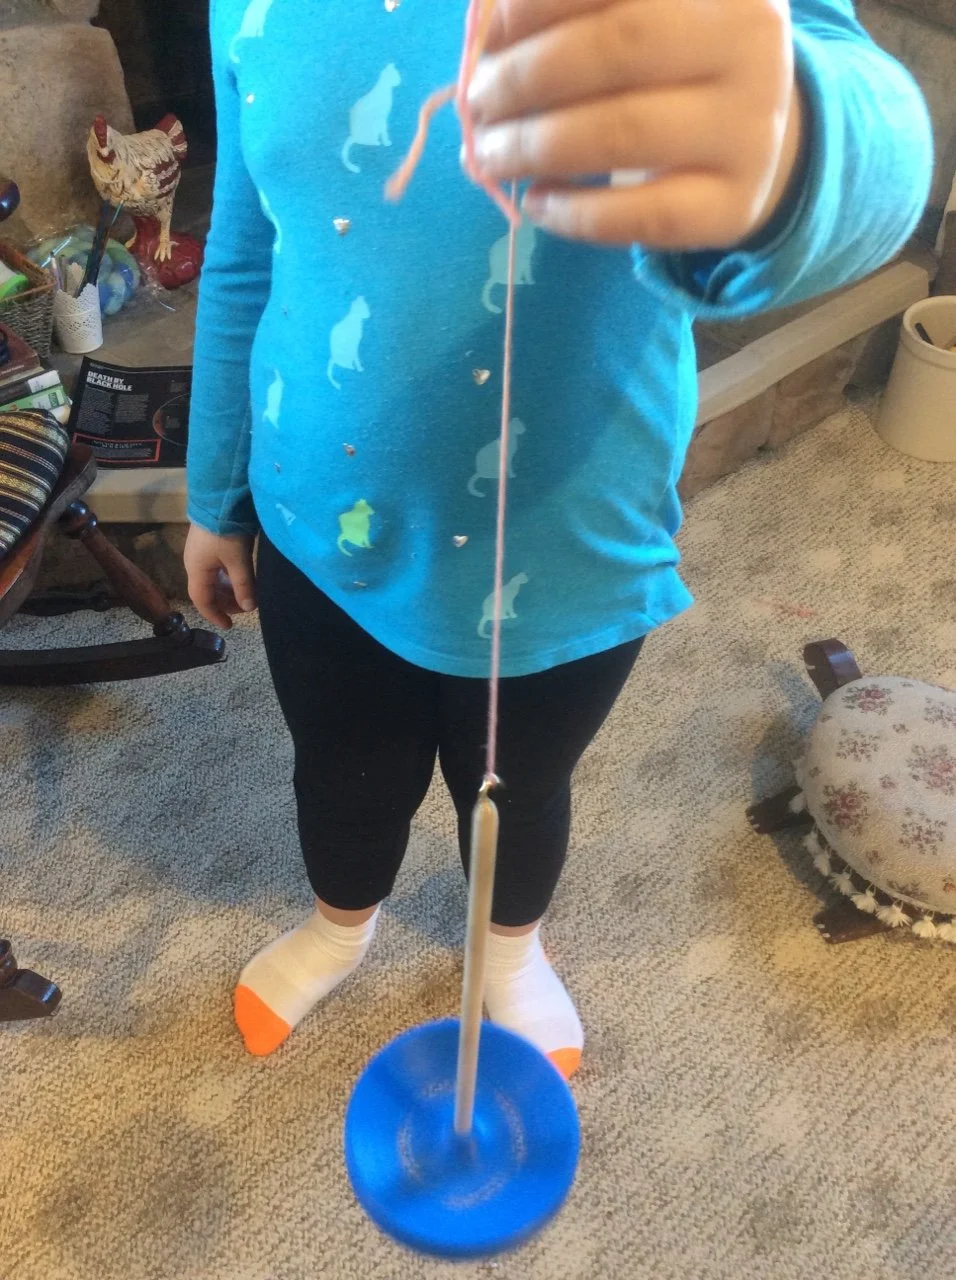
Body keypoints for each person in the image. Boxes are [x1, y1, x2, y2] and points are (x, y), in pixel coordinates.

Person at [185, 0, 932, 1072]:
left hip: (561, 540)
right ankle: (340, 926)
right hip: (319, 523)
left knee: (520, 785)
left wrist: (791, 137)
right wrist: (214, 493)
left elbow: (862, 130)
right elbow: (244, 248)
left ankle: (509, 946)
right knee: (343, 774)